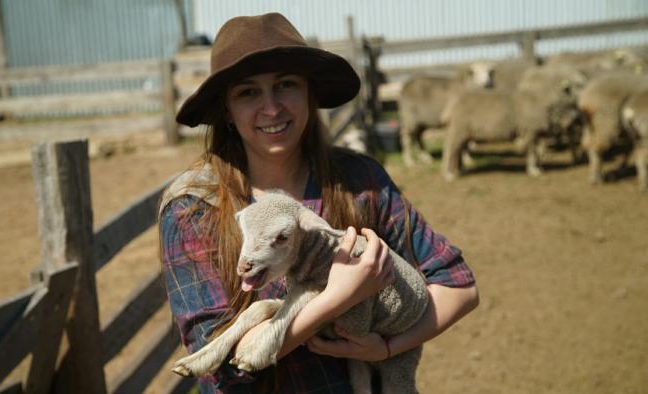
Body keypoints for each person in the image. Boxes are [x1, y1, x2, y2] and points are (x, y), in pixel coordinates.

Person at [159, 12, 478, 393]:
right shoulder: (194, 209)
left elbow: (458, 286)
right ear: (226, 109)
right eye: (248, 92)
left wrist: (387, 348)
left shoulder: (360, 182)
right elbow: (222, 375)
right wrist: (338, 296)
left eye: (286, 85)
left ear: (309, 93)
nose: (273, 108)